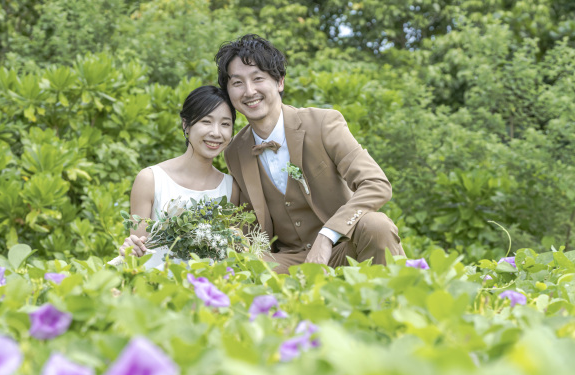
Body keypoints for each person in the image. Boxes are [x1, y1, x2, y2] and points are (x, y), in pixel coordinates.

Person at [215, 34, 404, 274]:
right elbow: (248, 221)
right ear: (229, 92)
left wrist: (327, 235)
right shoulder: (234, 151)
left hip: (342, 248)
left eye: (258, 78)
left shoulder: (323, 123)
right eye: (237, 82)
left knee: (376, 225)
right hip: (288, 260)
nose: (249, 91)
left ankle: (389, 306)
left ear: (280, 81)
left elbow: (376, 184)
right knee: (236, 264)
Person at [117, 86, 239, 268]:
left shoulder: (230, 188)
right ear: (186, 124)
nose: (216, 132)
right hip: (157, 289)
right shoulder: (151, 180)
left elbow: (230, 254)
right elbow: (138, 252)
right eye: (206, 121)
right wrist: (131, 248)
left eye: (225, 124)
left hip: (208, 291)